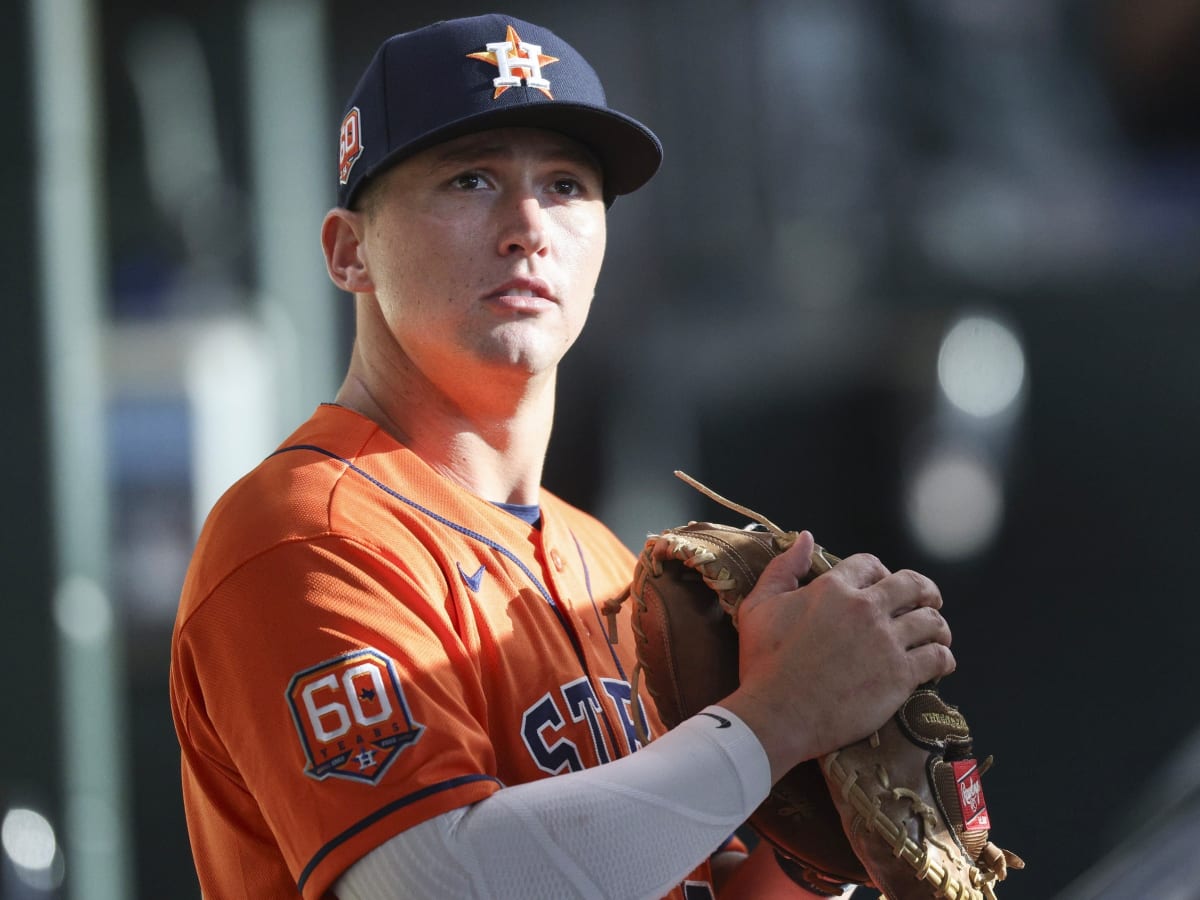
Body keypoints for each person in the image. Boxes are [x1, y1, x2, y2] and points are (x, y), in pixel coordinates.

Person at [169, 13, 954, 900]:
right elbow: (431, 883)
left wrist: (817, 832)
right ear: (350, 252)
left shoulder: (605, 563)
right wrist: (774, 724)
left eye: (569, 186)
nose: (528, 226)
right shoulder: (305, 539)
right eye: (470, 180)